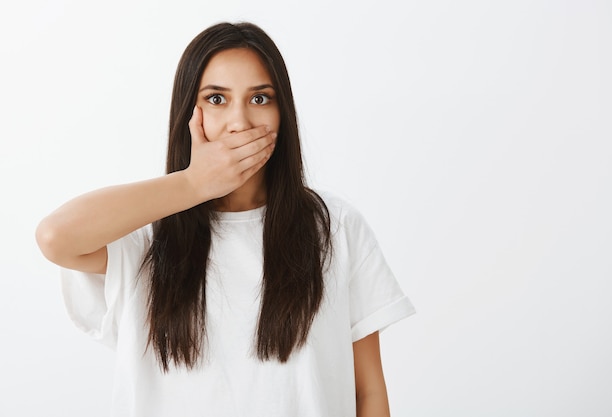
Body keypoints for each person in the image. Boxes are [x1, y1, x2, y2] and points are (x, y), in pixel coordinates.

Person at [36, 22, 415, 417]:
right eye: (217, 99)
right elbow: (54, 237)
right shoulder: (145, 233)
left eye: (260, 99)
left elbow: (367, 391)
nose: (240, 122)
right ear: (189, 112)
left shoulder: (334, 227)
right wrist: (194, 184)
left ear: (282, 112)